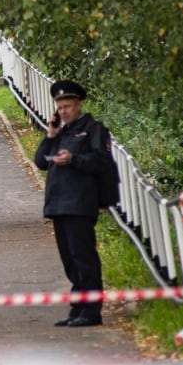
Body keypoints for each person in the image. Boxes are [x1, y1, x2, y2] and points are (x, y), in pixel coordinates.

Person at [33, 80, 115, 328]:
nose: (64, 111)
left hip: (80, 203)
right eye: (60, 107)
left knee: (83, 257)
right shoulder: (61, 132)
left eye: (68, 106)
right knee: (69, 259)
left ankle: (91, 311)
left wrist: (74, 159)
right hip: (58, 203)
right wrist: (50, 136)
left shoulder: (93, 130)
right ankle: (78, 307)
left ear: (79, 105)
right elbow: (40, 162)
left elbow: (101, 162)